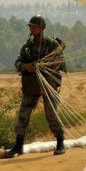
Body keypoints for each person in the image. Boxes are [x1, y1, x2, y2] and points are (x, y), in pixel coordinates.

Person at [4, 15, 67, 157]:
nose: (32, 29)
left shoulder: (52, 44)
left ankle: (60, 142)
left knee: (51, 114)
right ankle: (18, 145)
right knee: (23, 113)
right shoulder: (27, 47)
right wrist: (25, 66)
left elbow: (60, 61)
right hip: (32, 85)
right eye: (31, 27)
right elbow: (17, 62)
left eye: (35, 26)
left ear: (42, 28)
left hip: (49, 84)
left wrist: (41, 66)